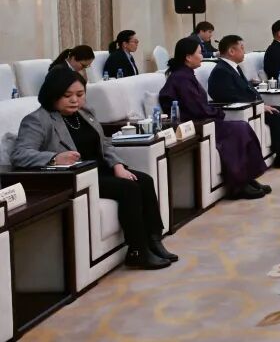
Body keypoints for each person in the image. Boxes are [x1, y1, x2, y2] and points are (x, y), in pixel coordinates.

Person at [12, 68, 177, 269]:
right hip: (79, 177)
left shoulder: (85, 113)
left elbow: (105, 143)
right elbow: (20, 154)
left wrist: (117, 165)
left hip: (102, 169)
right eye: (67, 95)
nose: (75, 100)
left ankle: (154, 241)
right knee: (129, 188)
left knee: (144, 180)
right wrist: (54, 158)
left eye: (80, 94)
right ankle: (137, 250)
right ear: (52, 94)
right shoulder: (38, 119)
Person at [158, 37, 270, 200]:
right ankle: (238, 185)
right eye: (199, 53)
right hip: (196, 124)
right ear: (188, 57)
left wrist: (215, 112)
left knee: (242, 127)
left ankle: (247, 178)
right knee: (239, 130)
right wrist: (218, 113)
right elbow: (196, 108)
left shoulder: (186, 74)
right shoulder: (181, 78)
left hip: (205, 120)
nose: (202, 56)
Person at [208, 34, 280, 170]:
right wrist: (258, 106)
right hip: (244, 110)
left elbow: (246, 89)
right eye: (241, 48)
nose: (244, 51)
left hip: (254, 106)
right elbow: (227, 95)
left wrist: (261, 104)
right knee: (276, 115)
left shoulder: (233, 67)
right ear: (231, 51)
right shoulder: (221, 70)